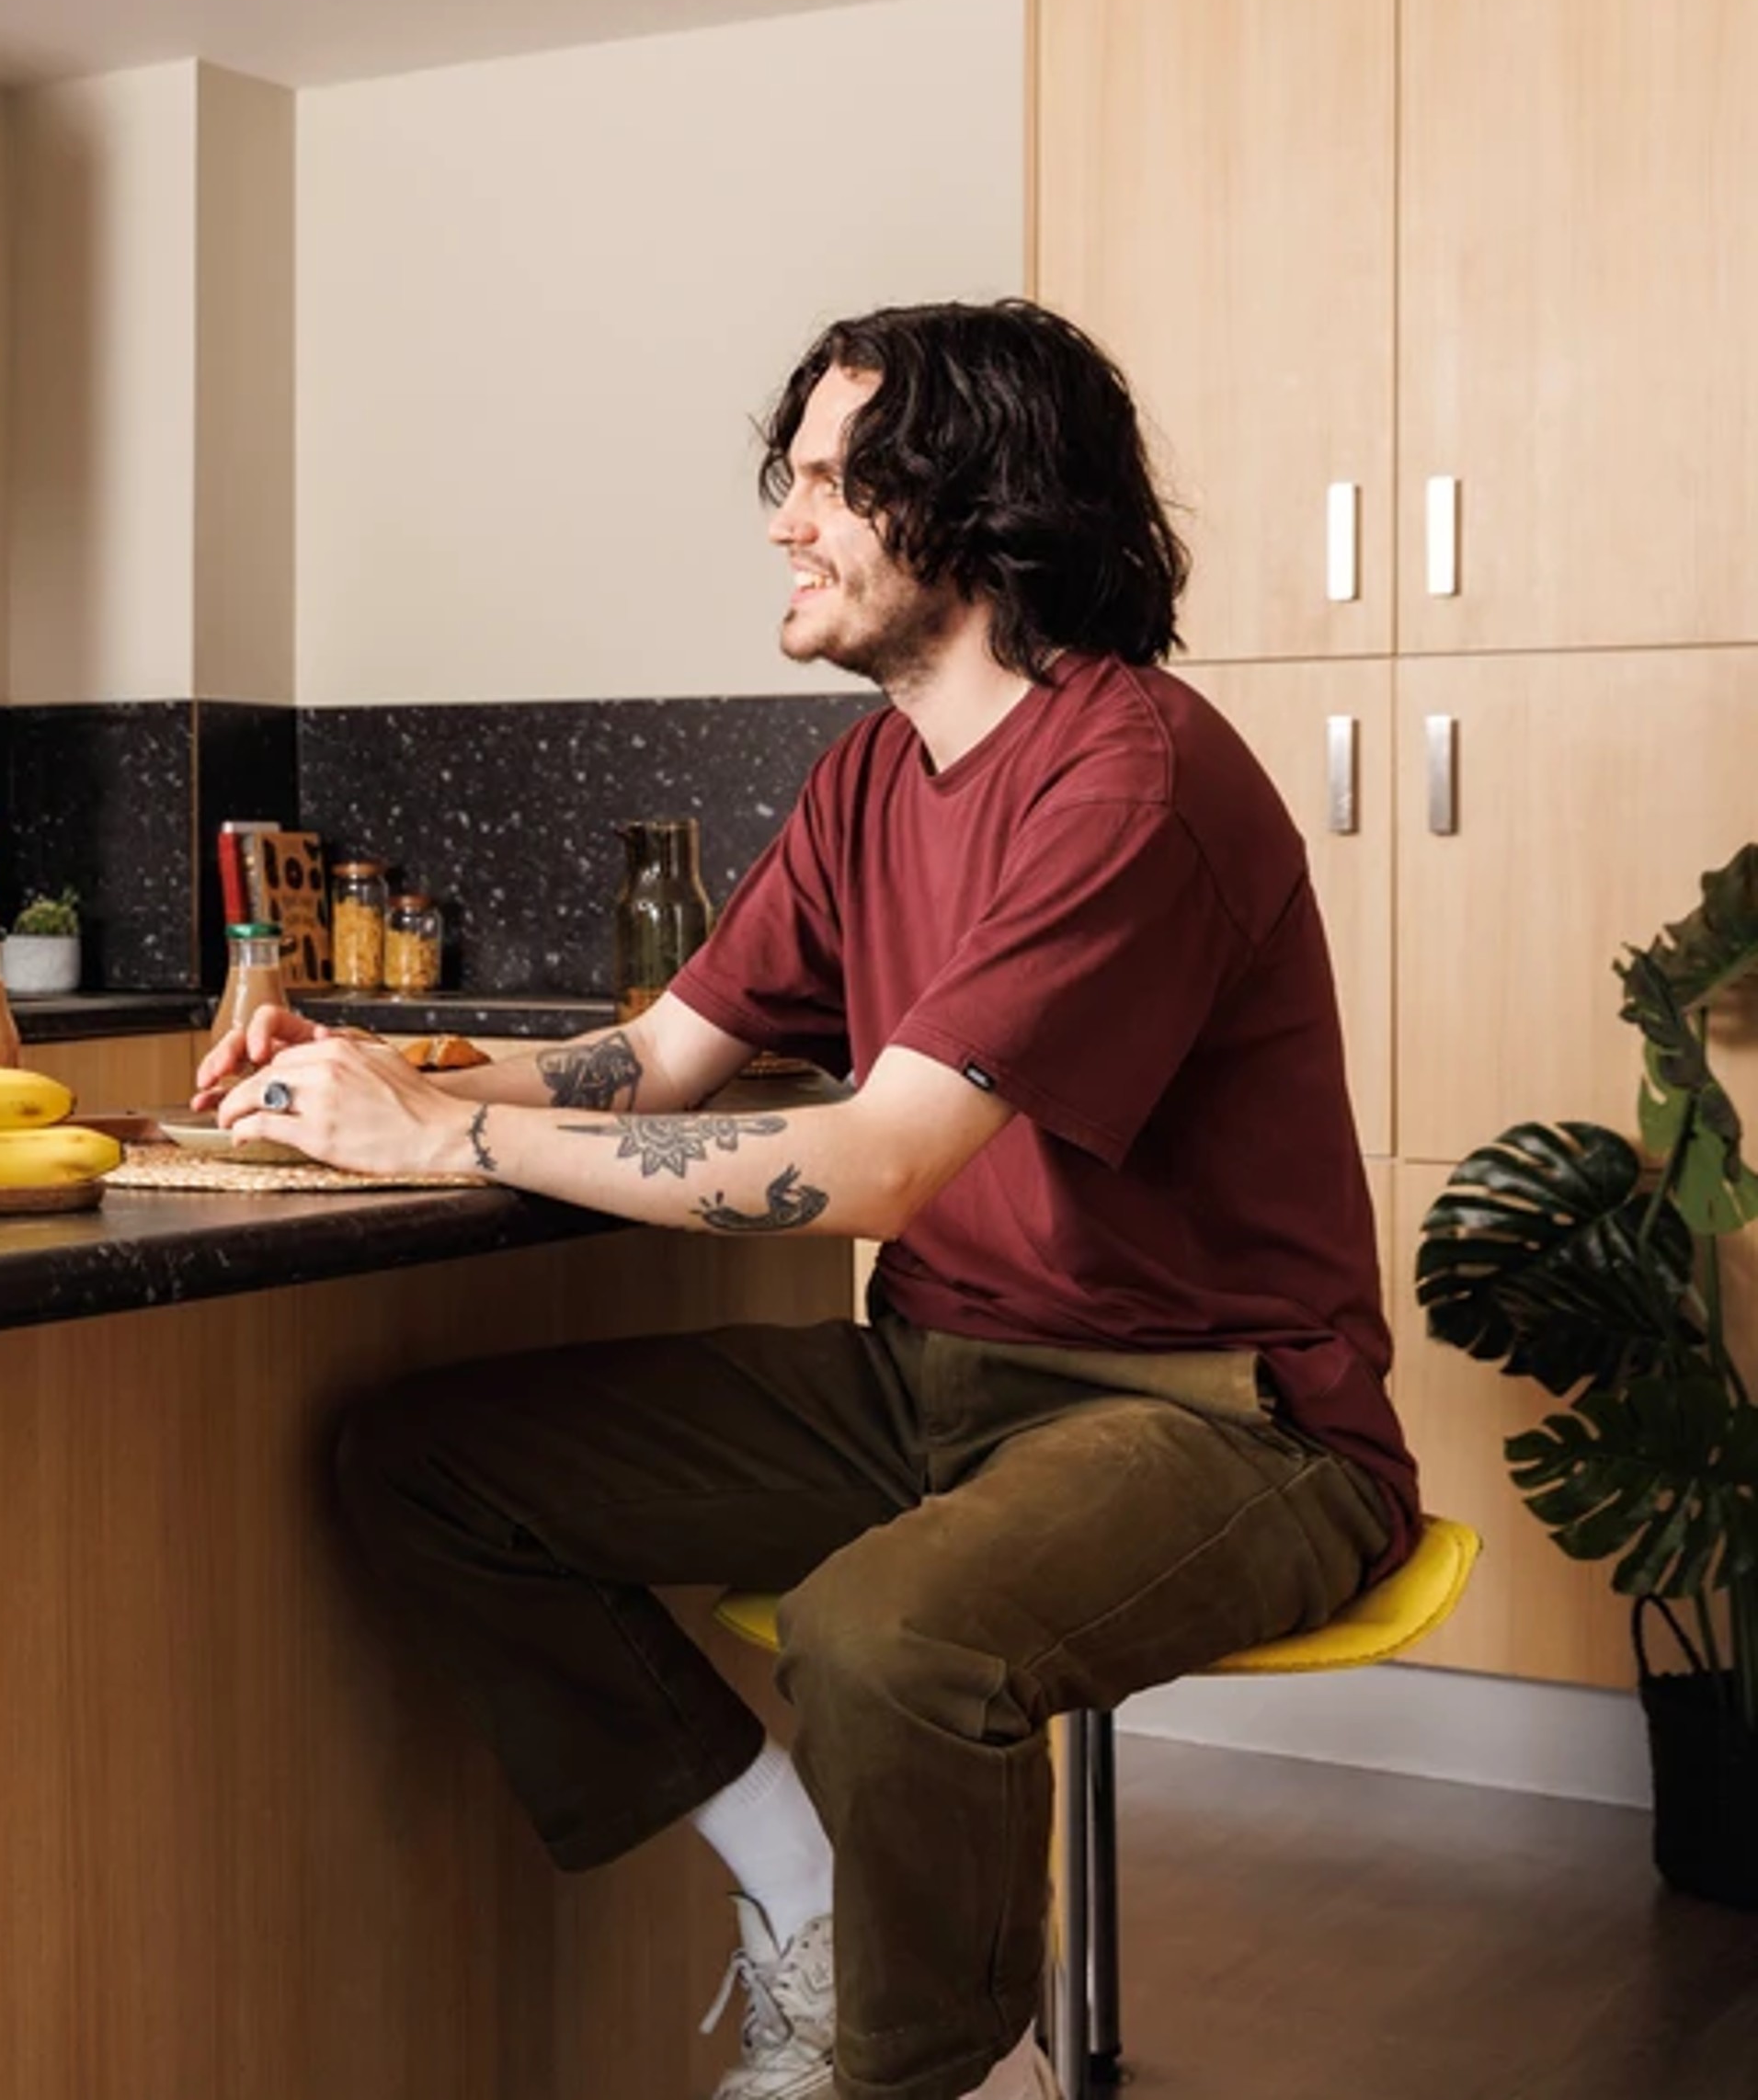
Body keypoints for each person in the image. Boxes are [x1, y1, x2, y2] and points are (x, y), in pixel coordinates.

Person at [199, 301, 1415, 2100]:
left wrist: (442, 1145)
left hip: (1232, 1424)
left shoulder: (1128, 776)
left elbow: (875, 1166)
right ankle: (810, 1905)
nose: (787, 520)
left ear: (979, 508)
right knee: (422, 1468)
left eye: (836, 482)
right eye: (796, 478)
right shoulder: (865, 779)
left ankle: (916, 2073)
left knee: (882, 1634)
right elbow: (666, 1058)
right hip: (937, 1389)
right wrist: (388, 1071)